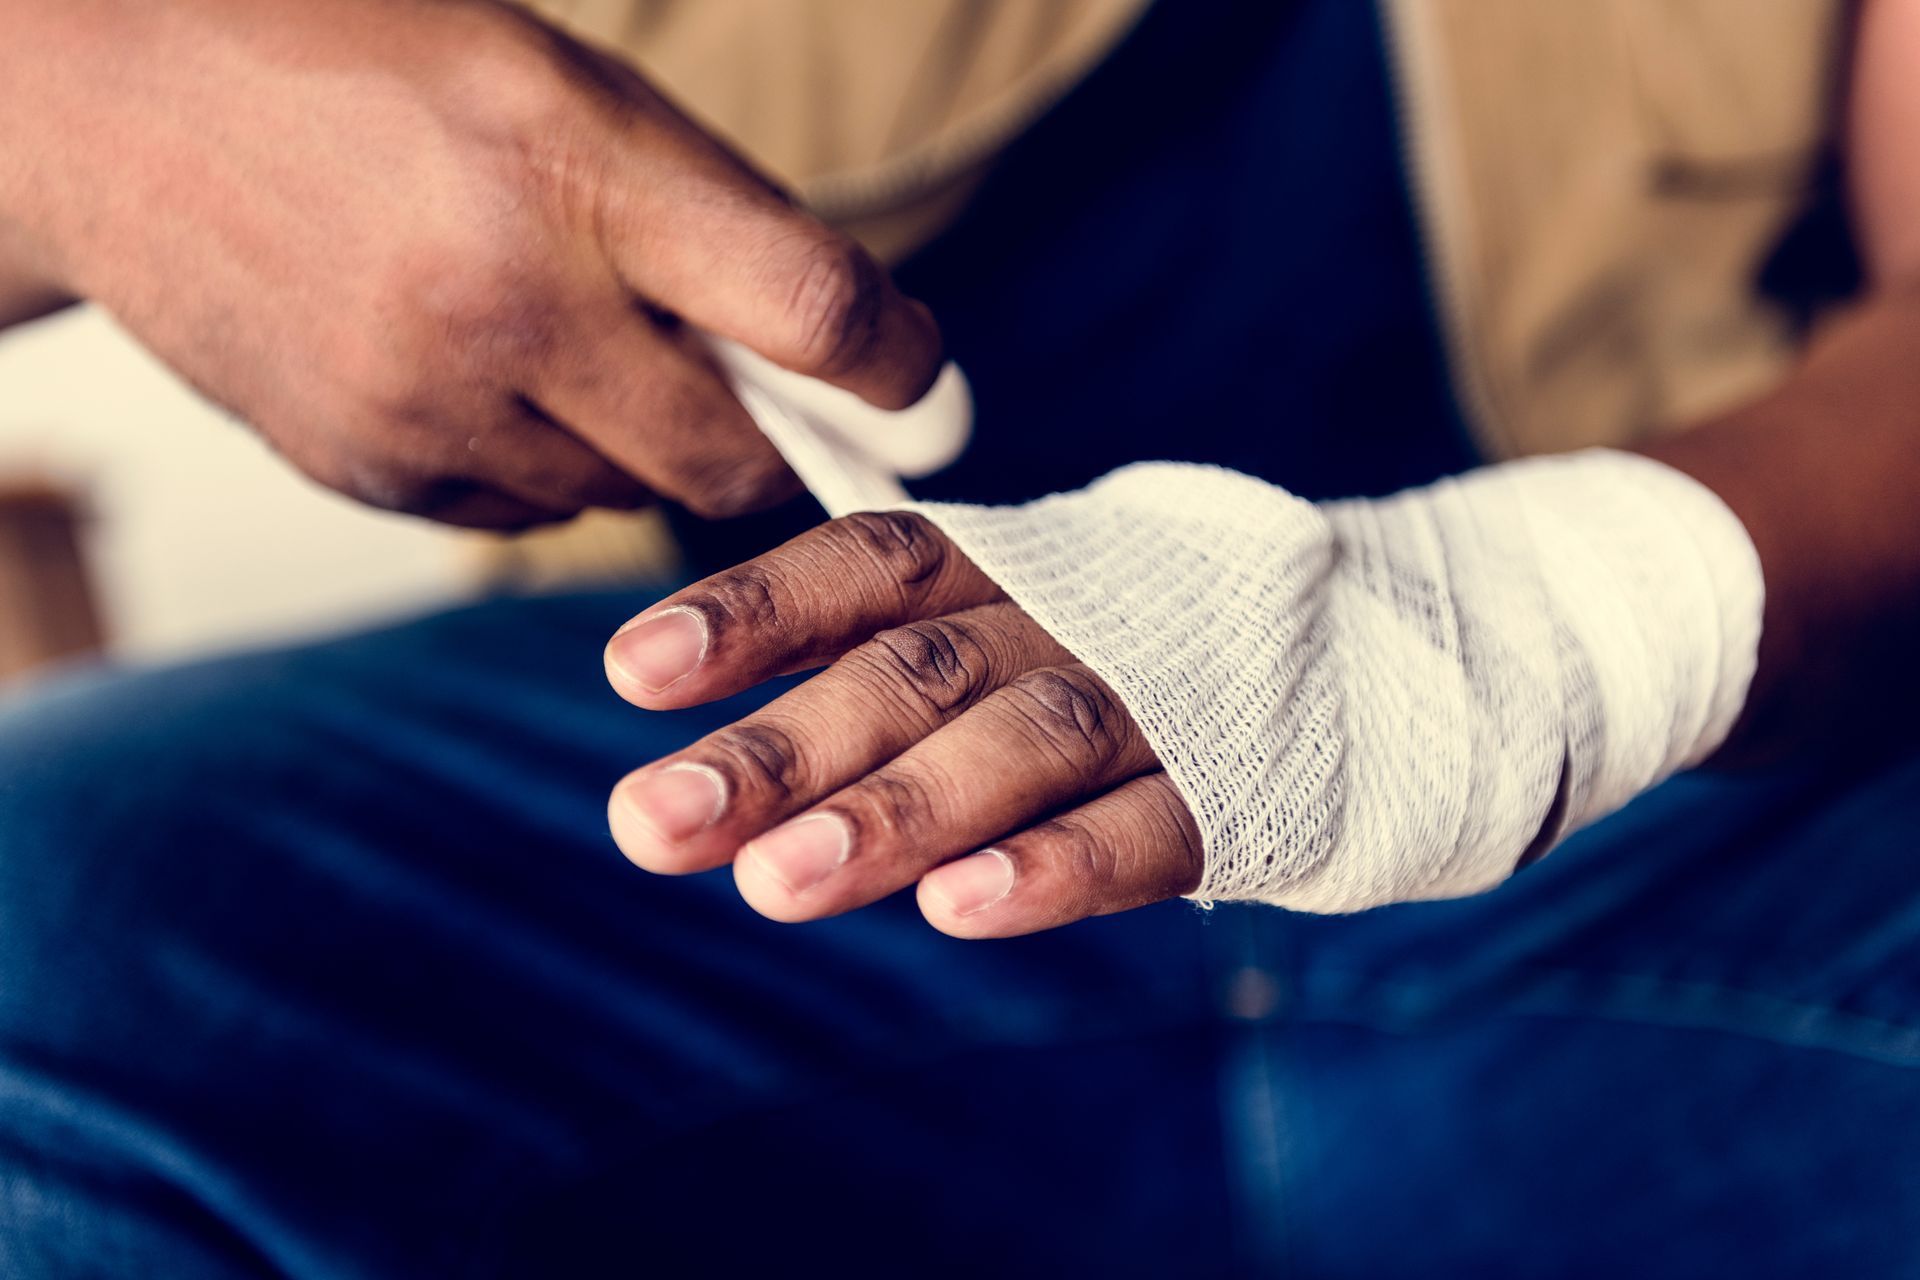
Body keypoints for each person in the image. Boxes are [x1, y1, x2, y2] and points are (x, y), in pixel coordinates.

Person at [1, 0, 1916, 1274]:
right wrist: (99, 116)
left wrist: (1502, 628)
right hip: (733, 815)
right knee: (43, 917)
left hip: (1701, 781)